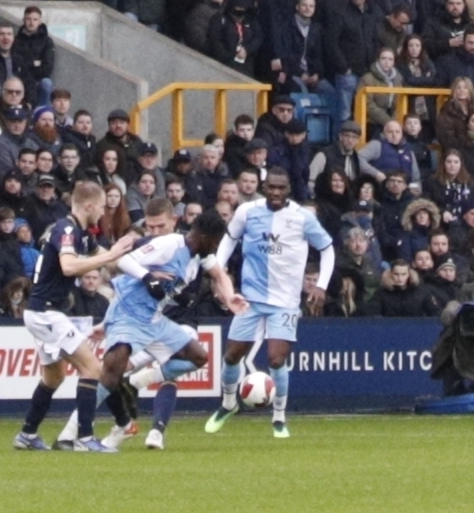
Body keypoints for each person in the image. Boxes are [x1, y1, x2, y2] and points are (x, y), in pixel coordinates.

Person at [204, 161, 336, 439]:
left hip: (285, 300)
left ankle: (278, 417)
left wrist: (321, 285)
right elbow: (229, 239)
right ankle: (228, 404)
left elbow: (327, 249)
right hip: (250, 298)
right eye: (271, 188)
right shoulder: (247, 211)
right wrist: (219, 272)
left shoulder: (302, 217)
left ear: (288, 189)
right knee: (232, 356)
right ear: (264, 188)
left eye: (281, 188)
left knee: (276, 359)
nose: (276, 192)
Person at [88, 193, 205, 455]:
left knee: (172, 362)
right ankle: (108, 427)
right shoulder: (146, 246)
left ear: (174, 221)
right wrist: (107, 322)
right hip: (142, 321)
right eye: (150, 227)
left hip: (178, 319)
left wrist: (228, 292)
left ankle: (156, 430)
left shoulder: (193, 245)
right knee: (113, 370)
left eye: (160, 227)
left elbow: (218, 271)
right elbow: (125, 289)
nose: (154, 232)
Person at [9, 179, 116, 453]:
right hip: (47, 312)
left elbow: (110, 258)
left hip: (43, 311)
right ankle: (85, 437)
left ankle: (27, 434)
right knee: (92, 368)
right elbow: (69, 267)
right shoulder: (66, 229)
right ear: (89, 205)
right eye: (102, 207)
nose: (104, 213)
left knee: (53, 378)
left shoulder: (81, 233)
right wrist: (109, 257)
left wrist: (138, 261)